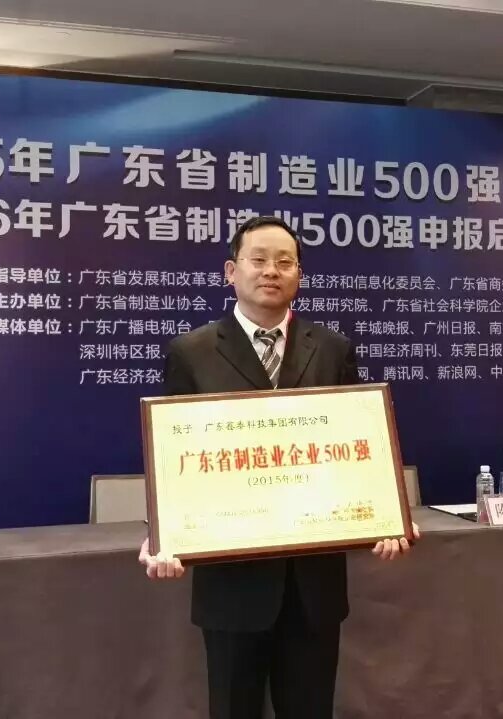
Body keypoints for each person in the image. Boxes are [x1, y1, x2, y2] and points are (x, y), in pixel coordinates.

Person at [138, 215, 418, 719]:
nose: (271, 271)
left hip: (313, 584)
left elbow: (356, 446)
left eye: (285, 262)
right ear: (231, 270)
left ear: (299, 275)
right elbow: (175, 456)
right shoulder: (191, 352)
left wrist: (387, 514)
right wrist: (163, 532)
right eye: (259, 260)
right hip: (232, 582)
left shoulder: (332, 348)